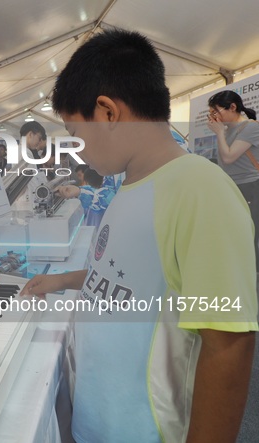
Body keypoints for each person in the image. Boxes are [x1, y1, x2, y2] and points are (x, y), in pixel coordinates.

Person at [21, 29, 257, 442]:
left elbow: (228, 346)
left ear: (108, 112)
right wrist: (63, 280)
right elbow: (124, 275)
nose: (81, 152)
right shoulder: (127, 186)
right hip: (97, 421)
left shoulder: (200, 190)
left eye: (78, 136)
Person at [207, 90, 259, 270]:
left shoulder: (251, 127)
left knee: (248, 237)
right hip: (231, 187)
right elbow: (224, 163)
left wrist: (219, 133)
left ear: (233, 107)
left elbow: (228, 157)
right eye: (211, 113)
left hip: (249, 187)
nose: (214, 117)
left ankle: (252, 283)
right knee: (233, 235)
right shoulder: (228, 130)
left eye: (216, 111)